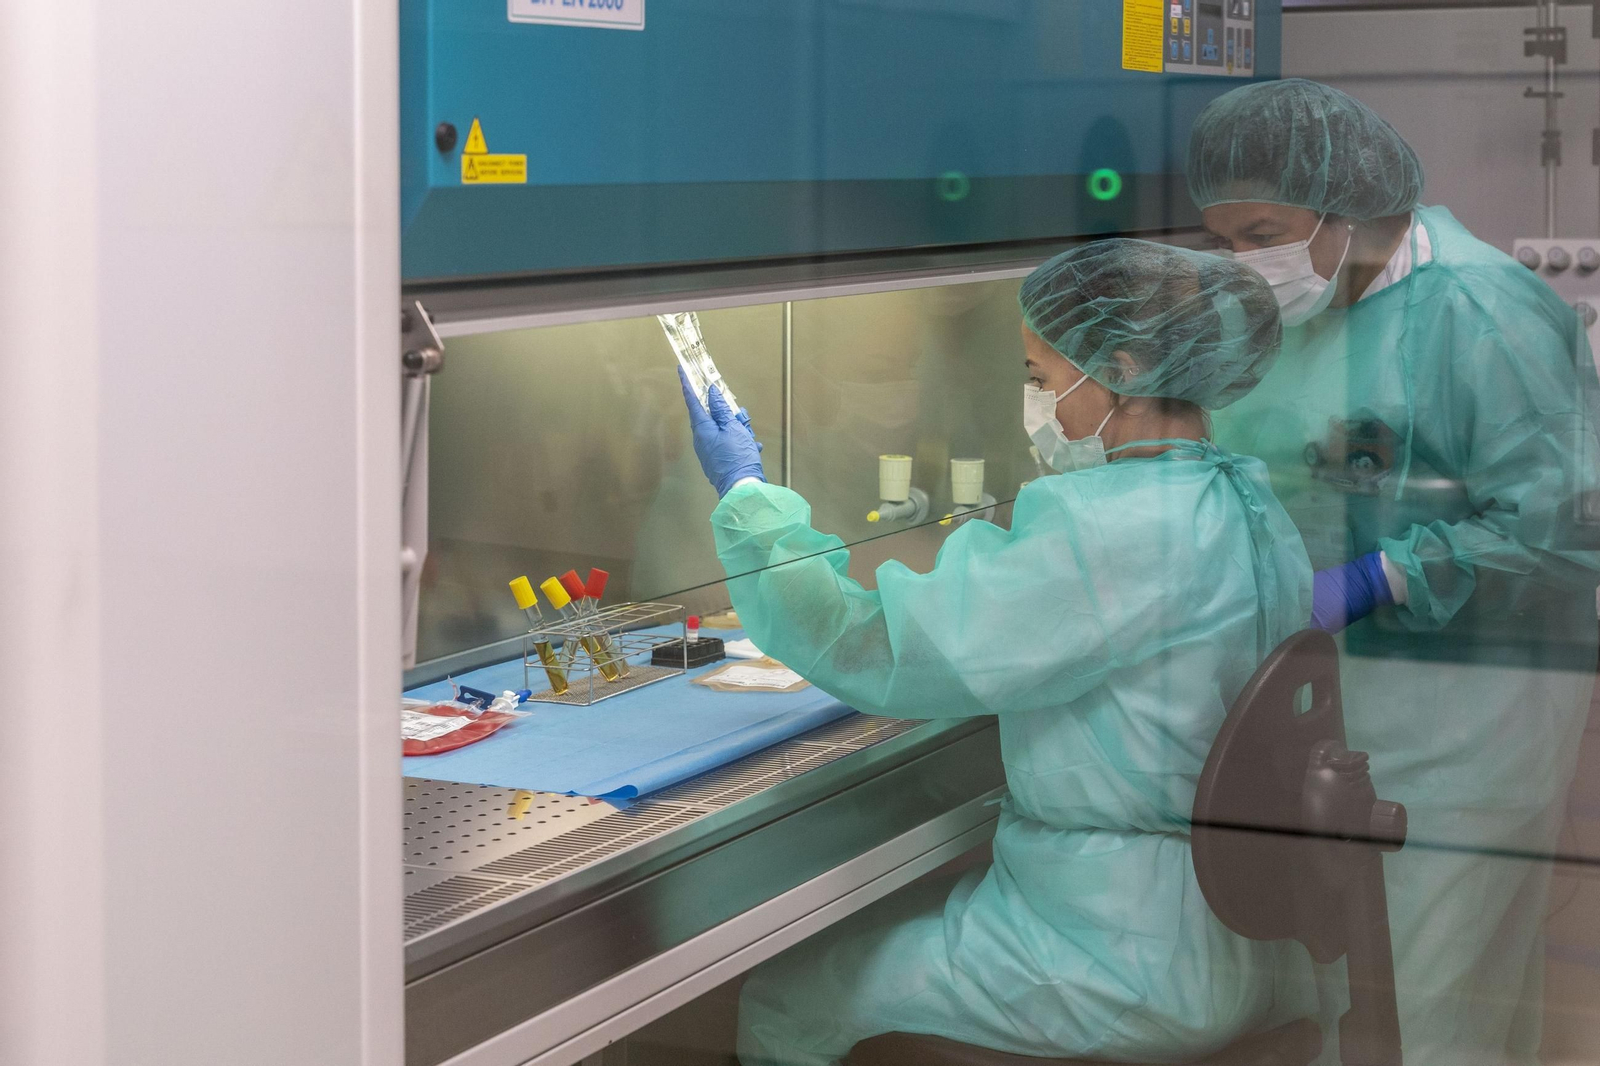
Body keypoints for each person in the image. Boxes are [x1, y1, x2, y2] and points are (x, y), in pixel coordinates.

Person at [678, 239, 1315, 1066]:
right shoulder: (1241, 497)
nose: (1040, 404)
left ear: (1119, 368)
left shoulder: (1110, 526)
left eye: (1043, 380)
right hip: (1241, 934)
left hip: (1115, 953)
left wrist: (747, 501)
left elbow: (875, 646)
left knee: (785, 999)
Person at [1187, 78, 1600, 1065]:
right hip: (1345, 701)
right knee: (1383, 996)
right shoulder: (1312, 306)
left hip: (1471, 712)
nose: (1247, 264)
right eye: (1225, 240)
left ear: (1349, 208)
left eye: (1263, 233)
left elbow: (1563, 528)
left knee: (1427, 998)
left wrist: (1375, 579)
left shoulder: (1480, 312)